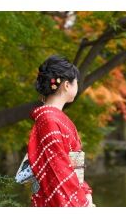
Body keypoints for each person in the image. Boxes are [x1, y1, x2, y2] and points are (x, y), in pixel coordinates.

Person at [27, 55, 94, 207]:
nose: (78, 85)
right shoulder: (49, 120)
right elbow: (58, 170)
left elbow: (73, 164)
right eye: (76, 82)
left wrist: (85, 192)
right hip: (59, 199)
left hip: (72, 190)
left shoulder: (54, 118)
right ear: (66, 85)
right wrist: (81, 203)